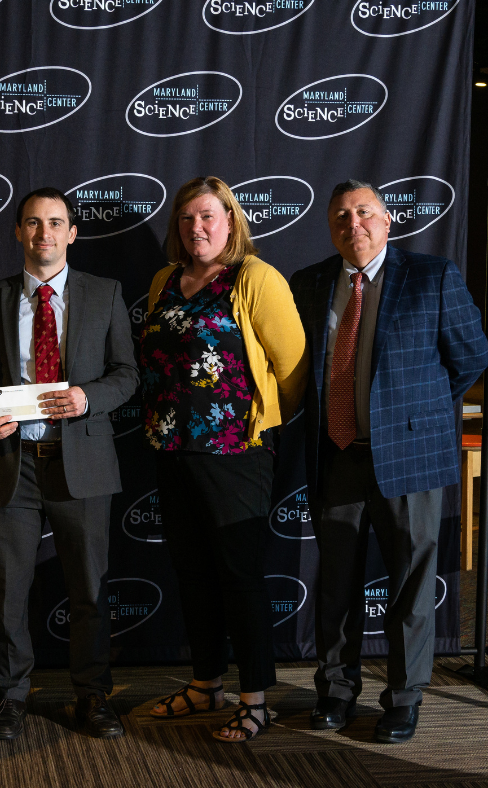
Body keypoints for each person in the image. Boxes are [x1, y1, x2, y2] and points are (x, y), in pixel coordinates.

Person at [289, 179, 488, 743]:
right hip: (337, 457)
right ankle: (336, 690)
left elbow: (471, 357)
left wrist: (414, 412)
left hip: (410, 458)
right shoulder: (310, 283)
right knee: (337, 586)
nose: (354, 224)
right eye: (341, 217)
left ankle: (403, 698)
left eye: (365, 212)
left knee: (410, 585)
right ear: (330, 227)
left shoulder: (433, 277)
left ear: (388, 219)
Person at [0, 187, 139, 740]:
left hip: (80, 462)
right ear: (18, 232)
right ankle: (10, 697)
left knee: (89, 589)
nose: (44, 234)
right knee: (7, 589)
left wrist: (88, 397)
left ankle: (92, 697)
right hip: (10, 463)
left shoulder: (104, 294)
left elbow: (128, 374)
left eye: (55, 223)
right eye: (33, 224)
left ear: (72, 234)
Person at [141, 176, 307, 742]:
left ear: (231, 221)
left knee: (239, 575)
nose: (197, 228)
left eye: (208, 216)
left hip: (236, 453)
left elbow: (292, 367)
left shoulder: (255, 278)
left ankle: (257, 698)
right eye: (187, 219)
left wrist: (244, 421)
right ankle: (205, 683)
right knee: (192, 574)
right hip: (171, 449)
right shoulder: (166, 279)